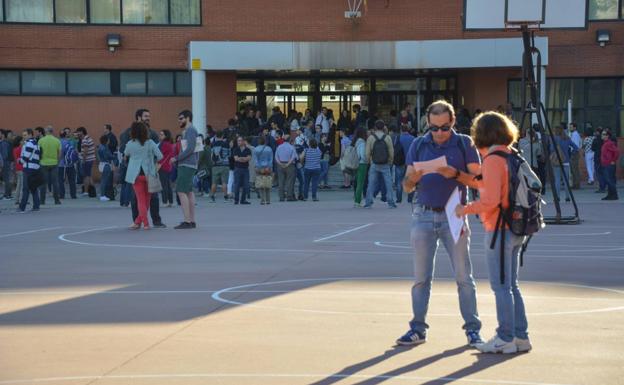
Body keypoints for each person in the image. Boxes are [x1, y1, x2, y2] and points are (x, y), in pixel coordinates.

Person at [397, 100, 483, 347]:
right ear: (428, 123)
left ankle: (473, 330)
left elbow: (479, 182)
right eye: (434, 128)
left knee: (463, 277)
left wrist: (454, 174)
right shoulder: (418, 144)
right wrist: (413, 178)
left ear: (453, 122)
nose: (439, 133)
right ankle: (417, 328)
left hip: (454, 216)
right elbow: (406, 186)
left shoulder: (465, 143)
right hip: (423, 214)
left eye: (444, 127)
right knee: (421, 278)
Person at [456, 111, 531, 354]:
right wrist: (461, 177)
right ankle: (520, 336)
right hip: (518, 226)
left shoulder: (492, 160)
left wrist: (464, 209)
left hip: (499, 229)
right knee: (512, 285)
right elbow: (490, 184)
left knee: (501, 286)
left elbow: (489, 201)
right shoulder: (511, 155)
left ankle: (505, 337)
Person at [120, 109, 166, 227]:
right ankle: (138, 221)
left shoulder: (152, 134)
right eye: (146, 116)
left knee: (146, 198)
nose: (148, 118)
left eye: (149, 116)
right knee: (140, 199)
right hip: (146, 171)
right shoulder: (128, 134)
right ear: (138, 117)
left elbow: (125, 153)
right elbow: (159, 154)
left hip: (139, 171)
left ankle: (151, 221)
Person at [170, 110, 200, 228]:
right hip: (190, 164)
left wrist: (176, 158)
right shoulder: (190, 131)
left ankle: (187, 221)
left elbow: (190, 149)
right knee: (188, 191)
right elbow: (194, 149)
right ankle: (191, 221)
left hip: (186, 164)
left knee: (181, 191)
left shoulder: (190, 130)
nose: (179, 121)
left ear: (188, 118)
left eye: (181, 118)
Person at [363, 120, 396, 209]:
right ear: (383, 127)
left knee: (371, 183)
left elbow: (367, 152)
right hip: (385, 163)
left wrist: (370, 161)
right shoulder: (387, 137)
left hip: (374, 163)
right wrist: (390, 161)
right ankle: (391, 202)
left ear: (375, 127)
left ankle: (368, 202)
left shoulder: (371, 138)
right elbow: (391, 151)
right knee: (388, 183)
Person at [550, 125, 578, 202]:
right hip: (566, 161)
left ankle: (557, 197)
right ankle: (567, 197)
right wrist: (571, 154)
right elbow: (576, 147)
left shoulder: (554, 139)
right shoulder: (567, 138)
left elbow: (552, 149)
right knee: (566, 180)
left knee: (557, 179)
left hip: (556, 161)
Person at [18, 129, 41, 213]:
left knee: (26, 188)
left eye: (25, 135)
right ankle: (36, 206)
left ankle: (22, 207)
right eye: (23, 135)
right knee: (34, 188)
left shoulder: (28, 144)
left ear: (30, 135)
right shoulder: (36, 143)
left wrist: (19, 161)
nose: (24, 137)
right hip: (35, 168)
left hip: (28, 168)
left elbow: (25, 157)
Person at [37, 126, 62, 205]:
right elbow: (60, 152)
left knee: (43, 183)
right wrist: (58, 161)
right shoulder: (57, 140)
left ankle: (42, 201)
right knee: (55, 182)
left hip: (43, 163)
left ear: (45, 131)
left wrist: (39, 161)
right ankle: (57, 200)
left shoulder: (41, 140)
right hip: (54, 163)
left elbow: (38, 152)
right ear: (52, 131)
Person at [395, 123, 416, 203]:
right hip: (410, 162)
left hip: (400, 162)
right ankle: (410, 199)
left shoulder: (398, 138)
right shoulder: (413, 138)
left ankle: (399, 199)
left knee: (399, 180)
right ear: (408, 130)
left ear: (401, 130)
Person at [275, 133, 297, 202]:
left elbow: (276, 157)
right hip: (289, 165)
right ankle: (289, 196)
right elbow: (293, 157)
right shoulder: (292, 147)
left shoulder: (279, 147)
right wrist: (288, 164)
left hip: (280, 164)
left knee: (281, 181)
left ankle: (281, 197)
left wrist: (280, 163)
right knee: (290, 181)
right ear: (290, 140)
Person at [210, 130, 231, 202]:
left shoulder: (212, 144)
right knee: (224, 182)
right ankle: (225, 197)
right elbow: (229, 154)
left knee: (214, 183)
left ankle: (212, 196)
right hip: (225, 165)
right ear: (222, 136)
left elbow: (211, 155)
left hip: (215, 165)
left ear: (216, 136)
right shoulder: (226, 144)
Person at [253, 136, 273, 205]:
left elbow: (255, 160)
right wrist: (269, 167)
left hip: (260, 168)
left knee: (261, 184)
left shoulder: (255, 149)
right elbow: (271, 159)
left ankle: (262, 200)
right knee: (267, 184)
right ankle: (268, 200)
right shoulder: (269, 149)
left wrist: (258, 168)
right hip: (268, 167)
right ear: (265, 141)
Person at [76, 127, 96, 197]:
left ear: (82, 132)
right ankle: (93, 190)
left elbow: (85, 151)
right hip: (90, 159)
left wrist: (83, 160)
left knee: (86, 176)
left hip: (87, 160)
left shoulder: (84, 140)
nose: (77, 134)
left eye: (78, 132)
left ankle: (86, 191)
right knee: (89, 175)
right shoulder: (88, 138)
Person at [231, 136, 252, 205]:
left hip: (245, 169)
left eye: (240, 141)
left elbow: (249, 158)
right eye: (238, 141)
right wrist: (244, 158)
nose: (239, 142)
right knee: (237, 185)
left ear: (243, 141)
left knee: (246, 185)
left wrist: (241, 159)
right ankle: (236, 200)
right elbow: (236, 159)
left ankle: (243, 200)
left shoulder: (248, 150)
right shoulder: (235, 149)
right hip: (237, 169)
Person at [600, 129, 619, 201]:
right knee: (608, 180)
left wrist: (613, 160)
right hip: (605, 164)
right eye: (602, 134)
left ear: (607, 136)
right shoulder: (605, 143)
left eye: (603, 134)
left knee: (610, 180)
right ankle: (610, 195)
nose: (602, 135)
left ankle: (614, 195)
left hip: (609, 165)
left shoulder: (609, 143)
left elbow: (617, 151)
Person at [352, 127, 368, 207]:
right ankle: (357, 201)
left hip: (356, 163)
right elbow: (362, 155)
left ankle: (357, 200)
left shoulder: (356, 142)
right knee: (360, 183)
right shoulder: (362, 143)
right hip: (362, 164)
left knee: (358, 182)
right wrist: (367, 160)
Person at [158, 129, 175, 207]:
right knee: (168, 184)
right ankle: (170, 201)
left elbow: (159, 154)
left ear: (166, 136)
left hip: (162, 166)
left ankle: (165, 201)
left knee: (164, 185)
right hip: (168, 166)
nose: (160, 136)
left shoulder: (164, 144)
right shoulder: (170, 143)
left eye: (162, 135)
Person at [97, 135, 115, 201]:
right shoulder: (104, 148)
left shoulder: (100, 147)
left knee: (103, 180)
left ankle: (102, 194)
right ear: (106, 140)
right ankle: (102, 195)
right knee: (104, 181)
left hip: (102, 164)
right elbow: (108, 156)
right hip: (106, 165)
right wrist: (114, 156)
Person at [592, 128, 607, 193]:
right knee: (603, 173)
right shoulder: (604, 140)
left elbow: (592, 148)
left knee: (599, 174)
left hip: (597, 158)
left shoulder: (595, 140)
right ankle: (604, 186)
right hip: (603, 158)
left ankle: (602, 187)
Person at [568, 123, 582, 189]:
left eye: (571, 127)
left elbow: (575, 146)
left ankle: (576, 184)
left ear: (575, 128)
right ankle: (575, 184)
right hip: (574, 153)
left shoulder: (575, 135)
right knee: (573, 169)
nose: (570, 128)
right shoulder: (574, 134)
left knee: (574, 169)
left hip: (574, 153)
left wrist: (573, 153)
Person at [0, 130, 12, 200]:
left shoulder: (4, 143)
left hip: (4, 163)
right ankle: (8, 194)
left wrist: (1, 164)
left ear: (3, 135)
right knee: (7, 179)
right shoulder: (4, 143)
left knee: (6, 179)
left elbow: (4, 155)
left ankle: (7, 195)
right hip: (5, 162)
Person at [12, 136, 23, 205]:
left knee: (19, 184)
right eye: (22, 140)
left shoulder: (14, 149)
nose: (23, 141)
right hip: (22, 168)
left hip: (17, 168)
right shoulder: (20, 148)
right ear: (19, 142)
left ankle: (17, 199)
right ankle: (21, 199)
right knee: (22, 185)